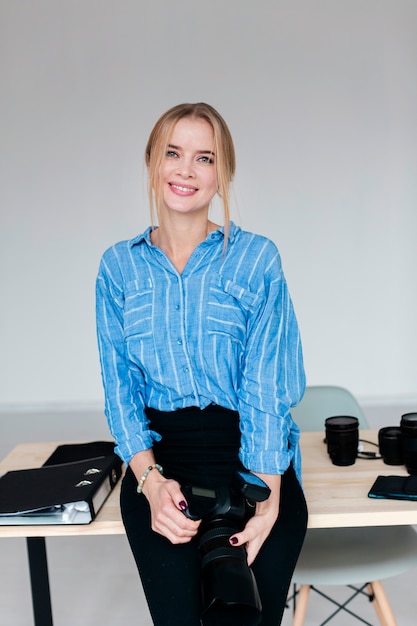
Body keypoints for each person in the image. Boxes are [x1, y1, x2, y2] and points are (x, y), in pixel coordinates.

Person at [96, 102, 308, 626]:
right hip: (163, 466)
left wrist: (266, 497)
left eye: (204, 157)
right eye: (173, 153)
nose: (186, 170)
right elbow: (119, 389)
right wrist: (150, 483)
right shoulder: (118, 267)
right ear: (151, 162)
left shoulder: (257, 259)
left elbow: (266, 384)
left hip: (254, 462)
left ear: (223, 173)